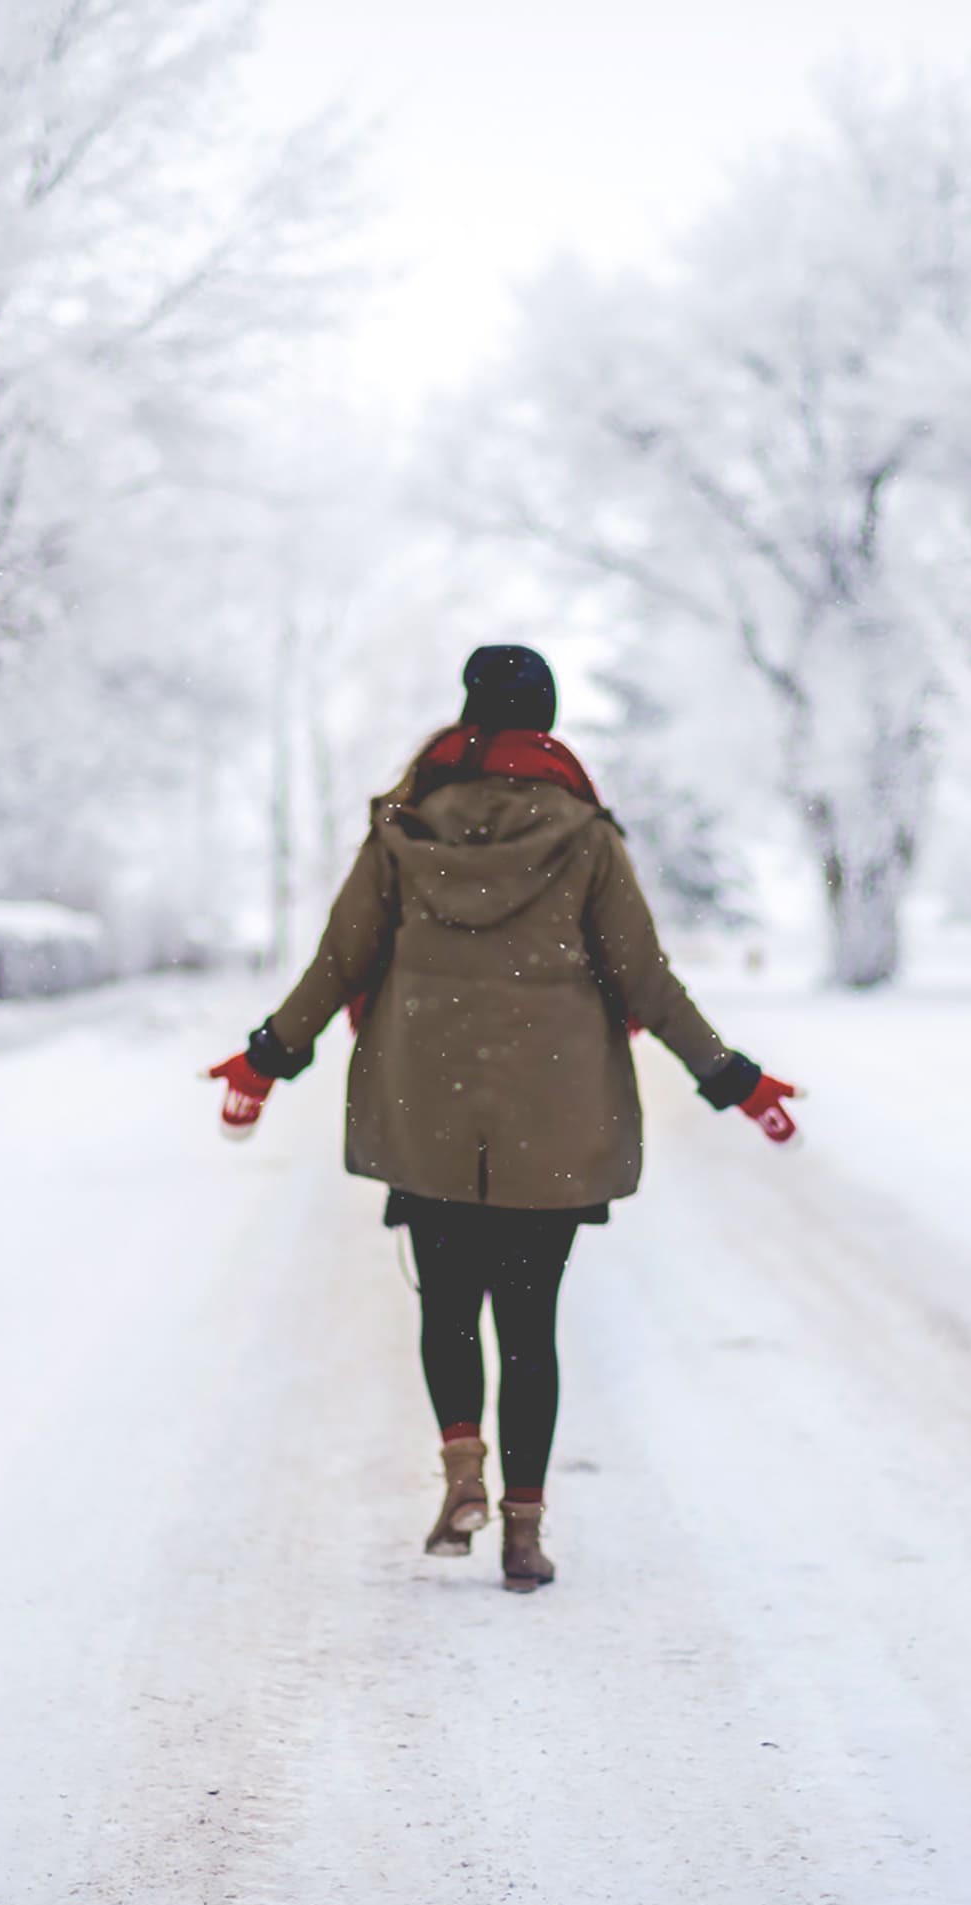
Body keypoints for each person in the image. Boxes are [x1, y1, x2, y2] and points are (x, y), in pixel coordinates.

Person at [208, 644, 798, 1594]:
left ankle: (462, 1473)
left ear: (471, 716)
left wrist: (268, 1055)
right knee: (531, 1327)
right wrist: (734, 1078)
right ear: (548, 723)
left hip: (423, 1103)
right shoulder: (587, 837)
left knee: (446, 1305)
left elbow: (339, 960)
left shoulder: (404, 828)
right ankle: (524, 1536)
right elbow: (645, 978)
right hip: (553, 1116)